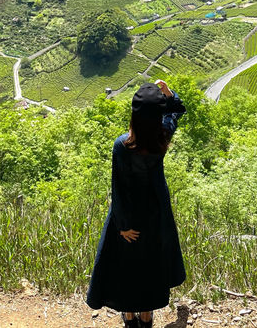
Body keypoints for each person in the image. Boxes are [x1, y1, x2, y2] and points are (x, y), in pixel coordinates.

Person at [86, 79, 187, 328]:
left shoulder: (122, 144)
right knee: (150, 260)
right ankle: (147, 315)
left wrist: (122, 225)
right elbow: (178, 111)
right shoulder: (162, 135)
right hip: (156, 210)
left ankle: (129, 316)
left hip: (128, 213)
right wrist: (168, 93)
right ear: (157, 114)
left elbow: (118, 187)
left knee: (126, 262)